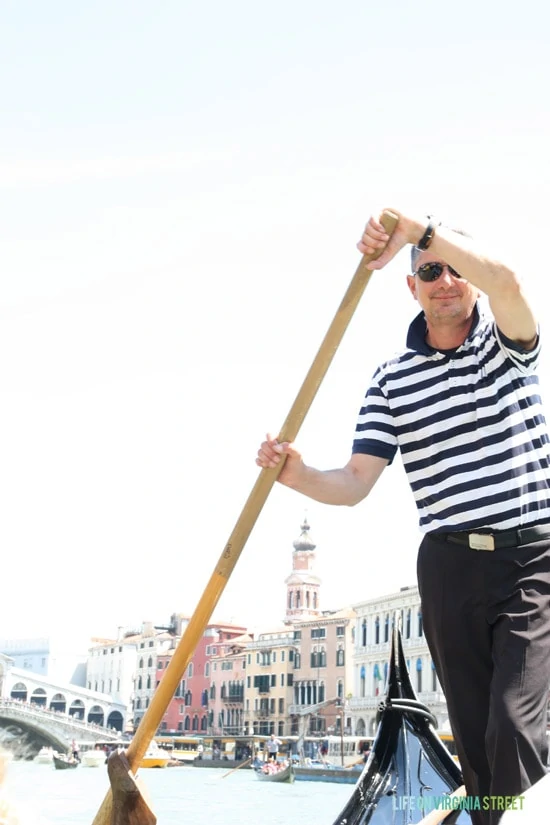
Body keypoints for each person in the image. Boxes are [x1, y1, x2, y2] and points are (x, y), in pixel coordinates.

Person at [256, 209, 550, 825]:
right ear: (411, 286)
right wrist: (296, 474)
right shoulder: (391, 379)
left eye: (456, 268)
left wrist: (418, 232)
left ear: (471, 278)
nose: (446, 280)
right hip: (447, 570)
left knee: (512, 724)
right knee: (473, 741)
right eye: (430, 272)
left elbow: (511, 284)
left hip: (531, 558)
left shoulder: (508, 343)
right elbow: (355, 482)